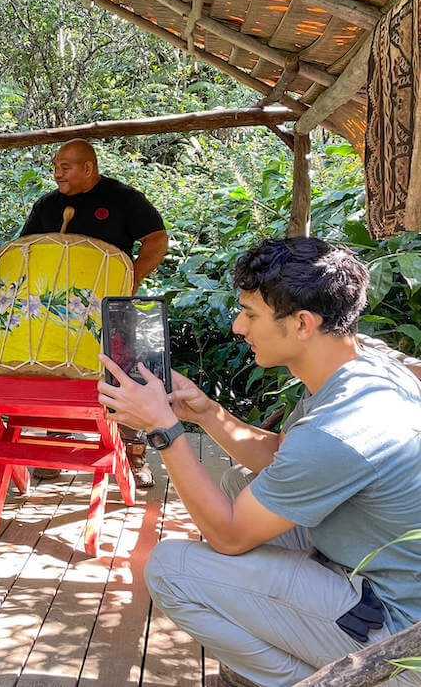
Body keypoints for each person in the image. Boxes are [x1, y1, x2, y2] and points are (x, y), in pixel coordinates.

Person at [97, 237, 421, 687]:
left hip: (398, 631)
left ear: (303, 323)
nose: (237, 326)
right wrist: (205, 412)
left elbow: (229, 536)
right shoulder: (362, 367)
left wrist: (165, 431)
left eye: (250, 314)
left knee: (170, 569)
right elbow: (281, 455)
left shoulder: (339, 430)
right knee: (237, 482)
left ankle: (318, 680)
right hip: (375, 566)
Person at [21, 138, 169, 488]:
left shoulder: (122, 198)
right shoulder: (47, 205)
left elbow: (157, 240)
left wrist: (131, 278)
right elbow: (26, 249)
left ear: (89, 168)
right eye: (56, 166)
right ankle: (56, 444)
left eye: (66, 167)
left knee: (125, 375)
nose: (58, 173)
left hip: (112, 307)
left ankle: (133, 456)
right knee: (60, 372)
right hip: (60, 311)